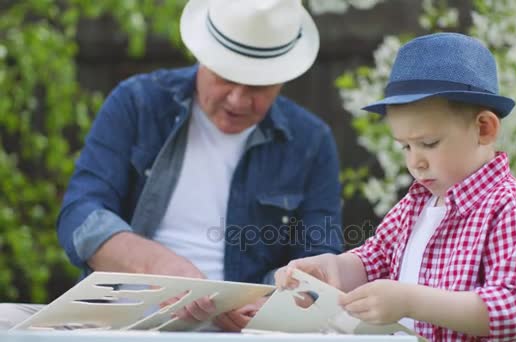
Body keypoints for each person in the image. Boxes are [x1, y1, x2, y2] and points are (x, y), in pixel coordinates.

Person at [0, 0, 343, 331]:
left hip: (239, 329)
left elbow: (321, 257)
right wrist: (161, 268)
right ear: (201, 57)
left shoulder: (312, 142)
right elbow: (80, 214)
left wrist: (272, 302)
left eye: (258, 86)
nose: (238, 99)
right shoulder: (136, 103)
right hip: (119, 318)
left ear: (284, 77)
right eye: (225, 77)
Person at [276, 32, 516, 341]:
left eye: (428, 143)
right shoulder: (416, 205)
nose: (415, 162)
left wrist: (412, 301)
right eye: (405, 147)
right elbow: (373, 260)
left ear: (484, 129)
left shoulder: (509, 209)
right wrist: (331, 268)